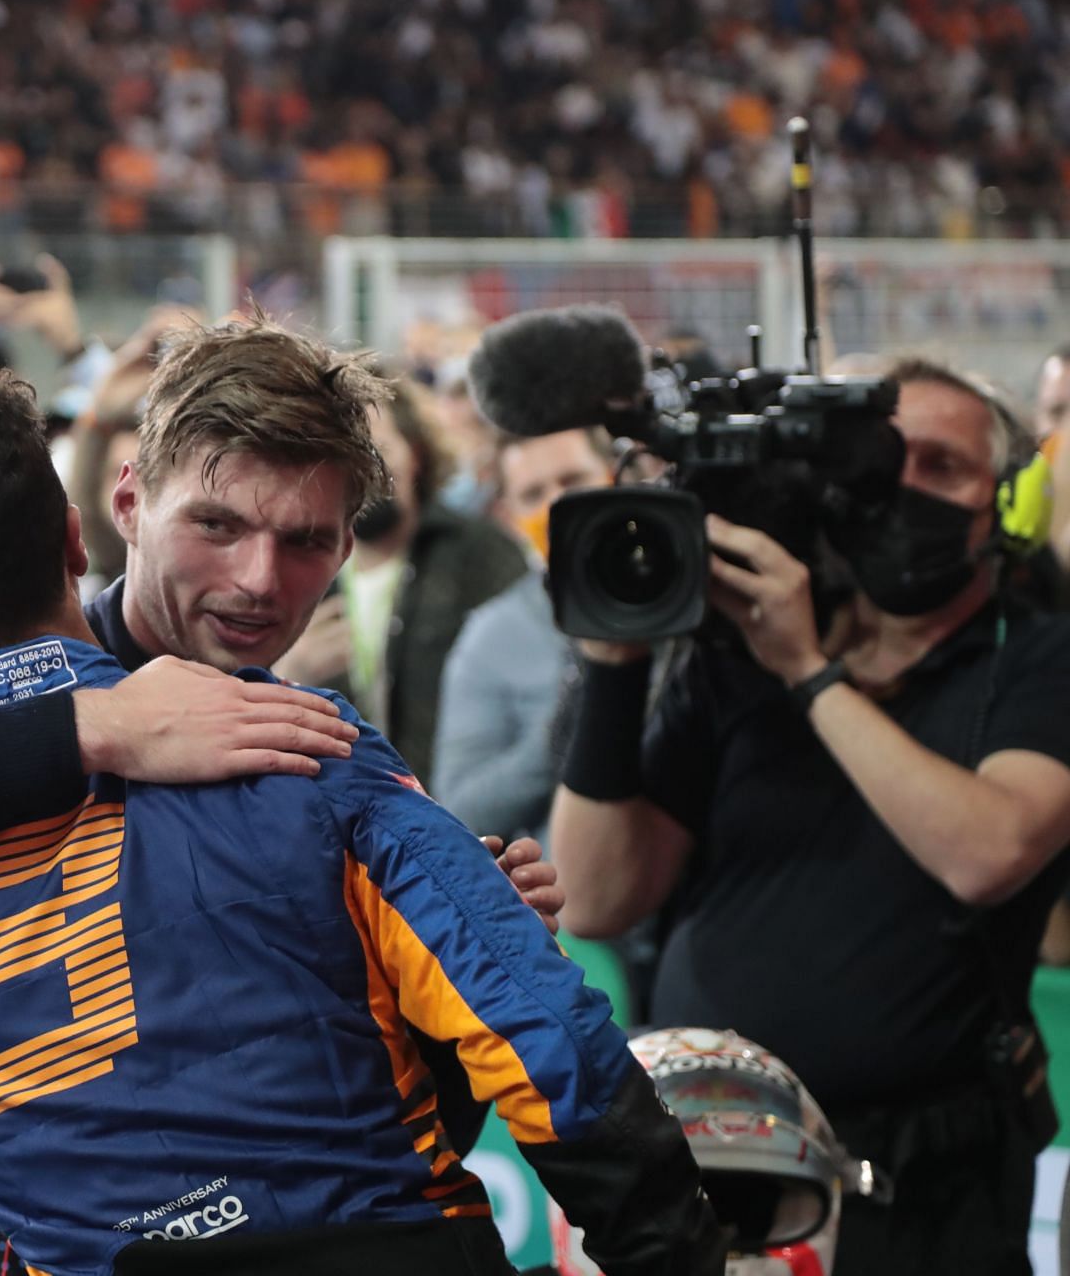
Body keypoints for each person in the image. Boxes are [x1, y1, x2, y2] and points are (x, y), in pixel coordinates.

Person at [0, 345, 721, 1276]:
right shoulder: (314, 747)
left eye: (306, 540)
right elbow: (556, 1054)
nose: (258, 577)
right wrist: (91, 727)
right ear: (104, 517)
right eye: (217, 525)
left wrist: (429, 963)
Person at [550, 357, 1070, 1274]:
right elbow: (594, 897)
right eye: (880, 461)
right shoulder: (740, 658)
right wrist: (616, 665)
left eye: (942, 466)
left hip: (927, 1196)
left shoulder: (1039, 660)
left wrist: (808, 672)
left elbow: (991, 851)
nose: (900, 488)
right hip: (721, 1174)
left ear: (1011, 506)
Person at [274, 378, 525, 781]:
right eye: (341, 453)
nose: (361, 470)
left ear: (417, 454)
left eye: (379, 449)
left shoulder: (480, 552)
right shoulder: (293, 566)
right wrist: (288, 674)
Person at [433, 426, 615, 842]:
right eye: (534, 495)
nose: (559, 504)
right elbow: (461, 810)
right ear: (508, 517)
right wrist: (560, 736)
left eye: (574, 481)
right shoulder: (492, 637)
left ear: (614, 474)